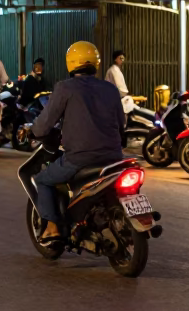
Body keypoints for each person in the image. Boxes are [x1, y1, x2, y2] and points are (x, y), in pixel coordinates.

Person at [31, 42, 125, 245]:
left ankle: (52, 227)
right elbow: (121, 123)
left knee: (43, 180)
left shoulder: (64, 88)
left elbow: (43, 124)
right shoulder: (110, 89)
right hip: (114, 158)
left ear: (70, 63)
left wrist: (33, 131)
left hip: (80, 157)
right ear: (96, 63)